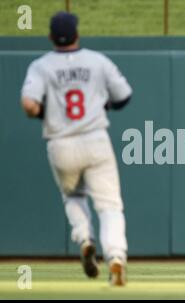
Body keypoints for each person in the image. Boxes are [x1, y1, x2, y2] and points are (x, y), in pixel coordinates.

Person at [21, 12, 132, 286]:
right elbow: (123, 95)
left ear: (50, 37)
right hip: (95, 139)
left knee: (73, 196)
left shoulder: (41, 66)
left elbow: (29, 105)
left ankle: (84, 237)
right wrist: (102, 104)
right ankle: (116, 258)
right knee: (109, 206)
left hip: (61, 144)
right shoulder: (97, 61)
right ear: (77, 34)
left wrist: (46, 111)